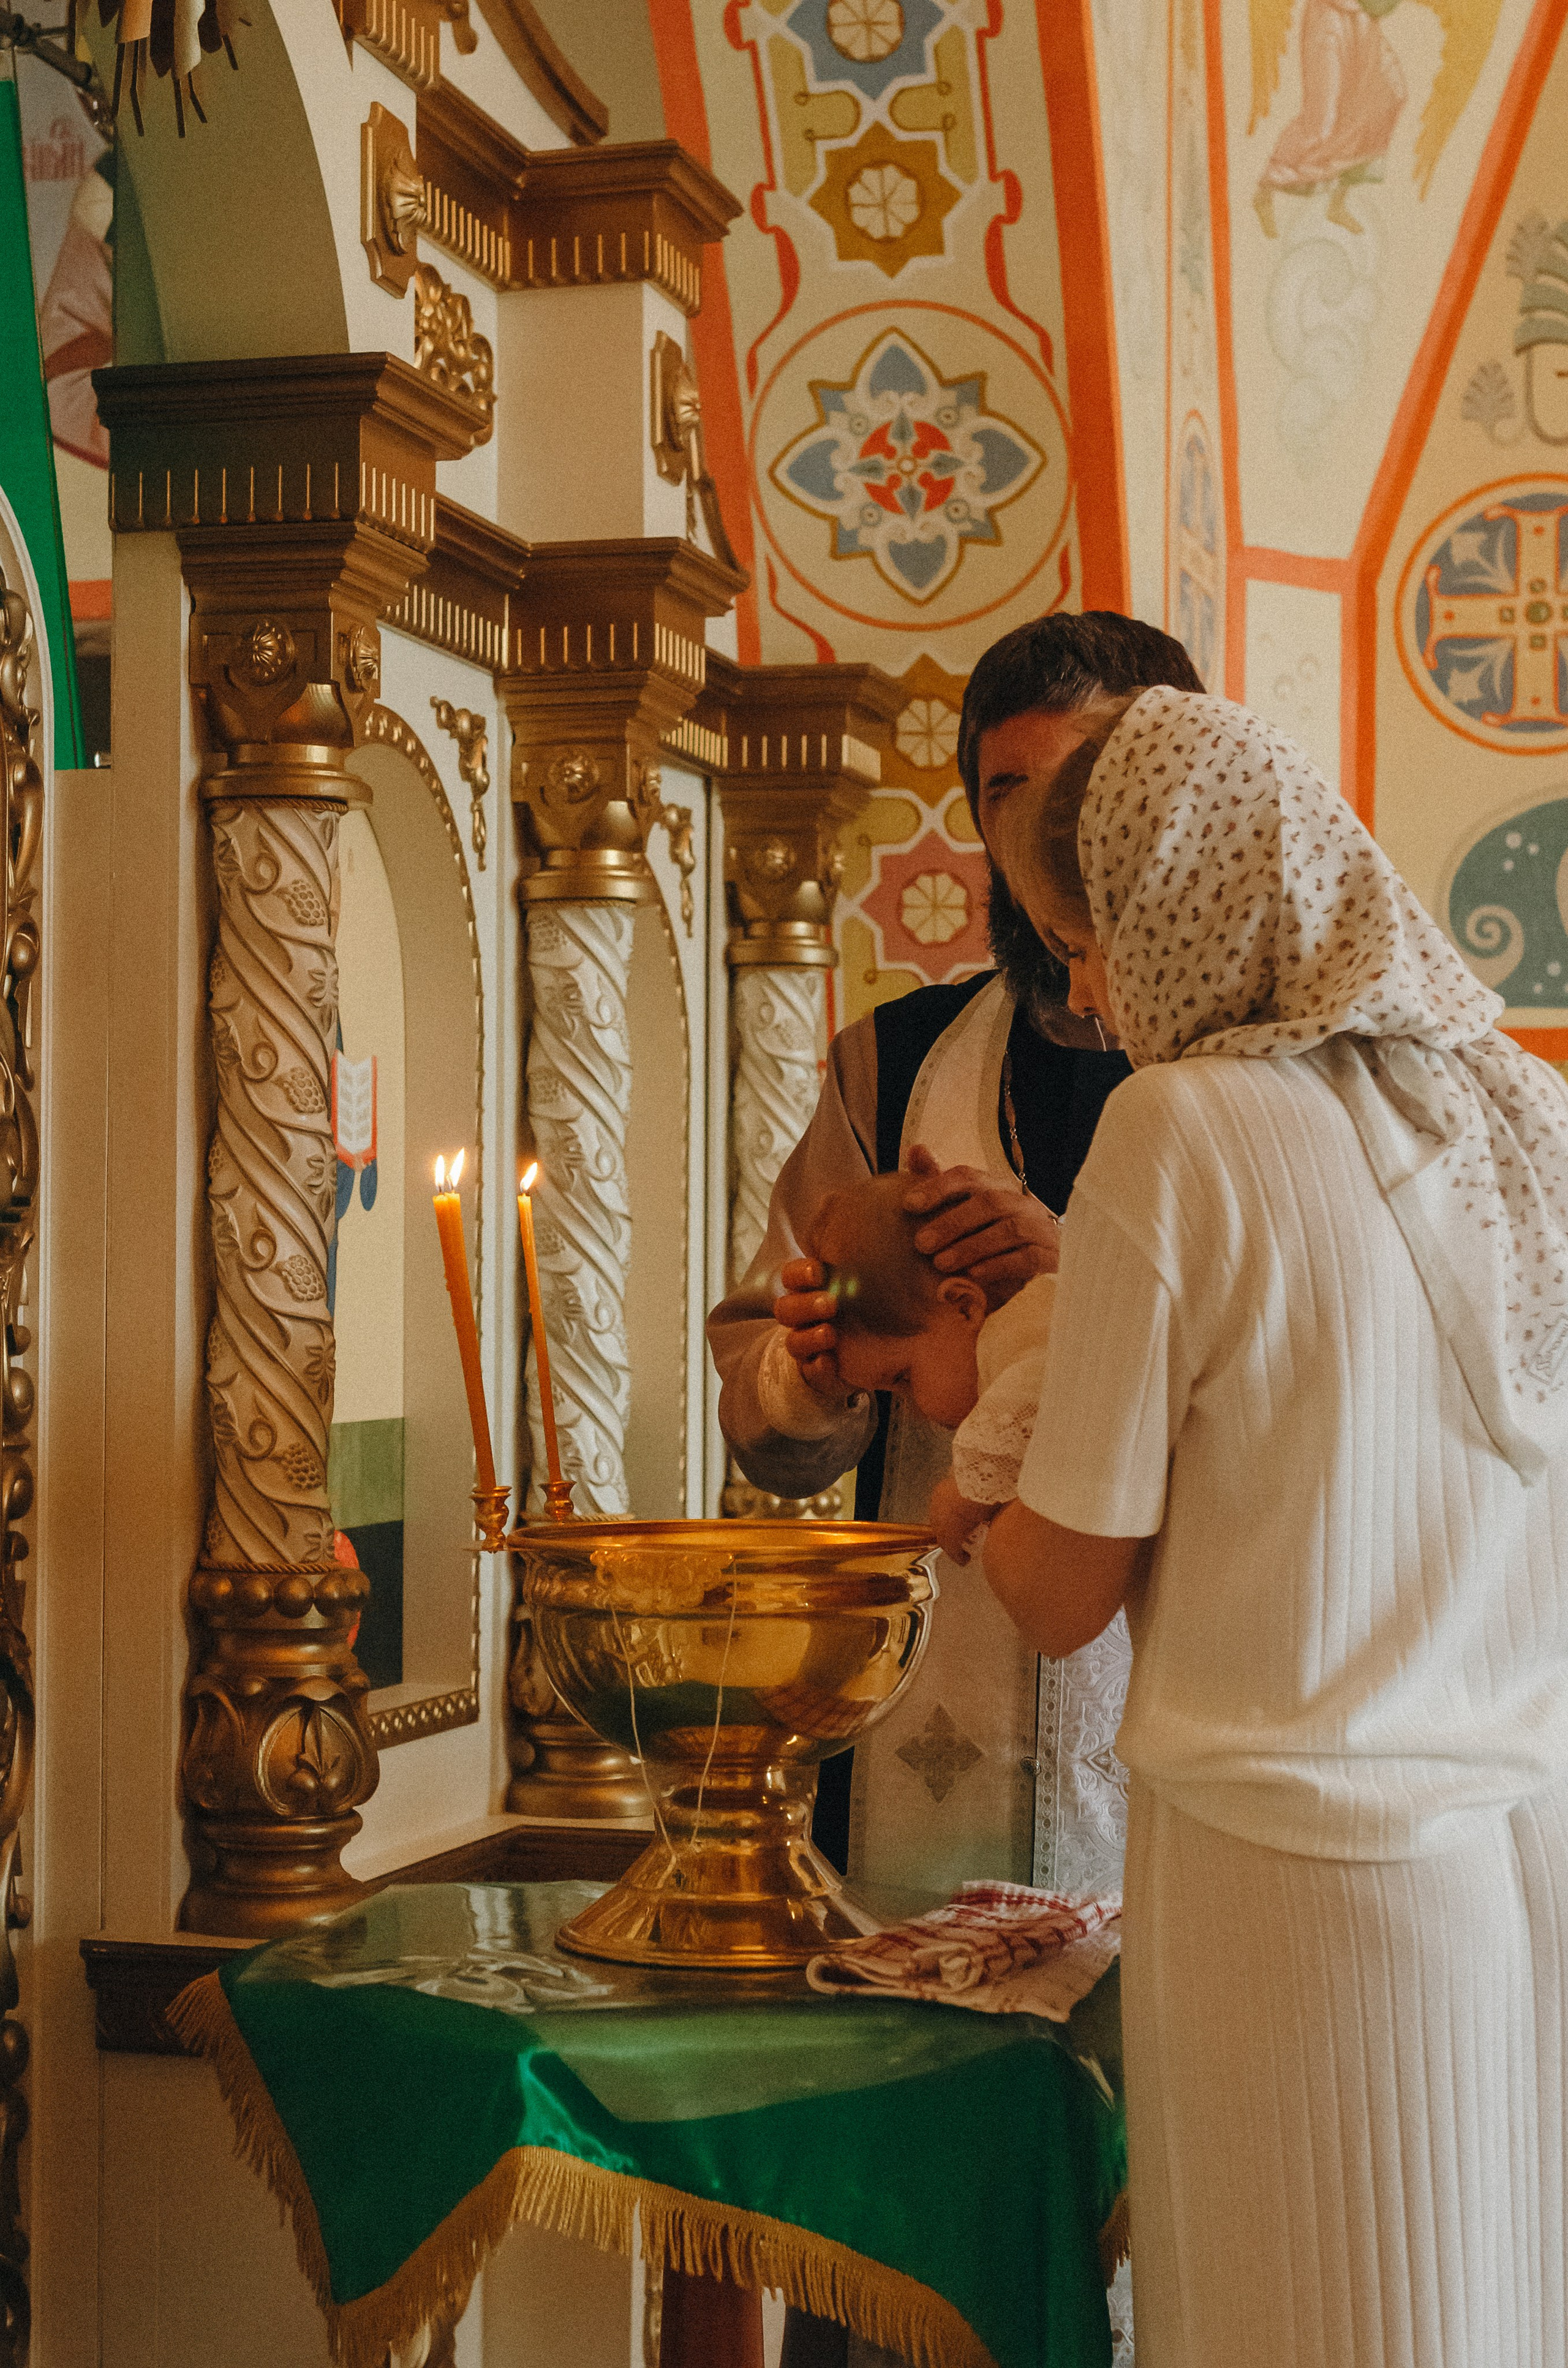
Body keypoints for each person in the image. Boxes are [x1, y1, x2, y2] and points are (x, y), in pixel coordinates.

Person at [983, 683, 1568, 2367]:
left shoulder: (1184, 1128)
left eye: (1078, 939)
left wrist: (980, 1455)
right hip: (1517, 1856)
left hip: (1293, 1891)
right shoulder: (1515, 1115)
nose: (1084, 989)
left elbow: (1059, 1590)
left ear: (1179, 899)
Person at [709, 611, 1200, 1901]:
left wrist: (1074, 1276)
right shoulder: (894, 1062)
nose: (1042, 828)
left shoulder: (1244, 1081)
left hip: (1182, 1688)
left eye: (1080, 783)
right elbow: (761, 1393)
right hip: (923, 1690)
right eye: (1005, 792)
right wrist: (809, 1370)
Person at [804, 1171, 1057, 1567]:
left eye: (903, 1377)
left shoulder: (1028, 1328)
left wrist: (962, 1494)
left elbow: (1042, 1388)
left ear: (962, 1305)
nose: (915, 1407)